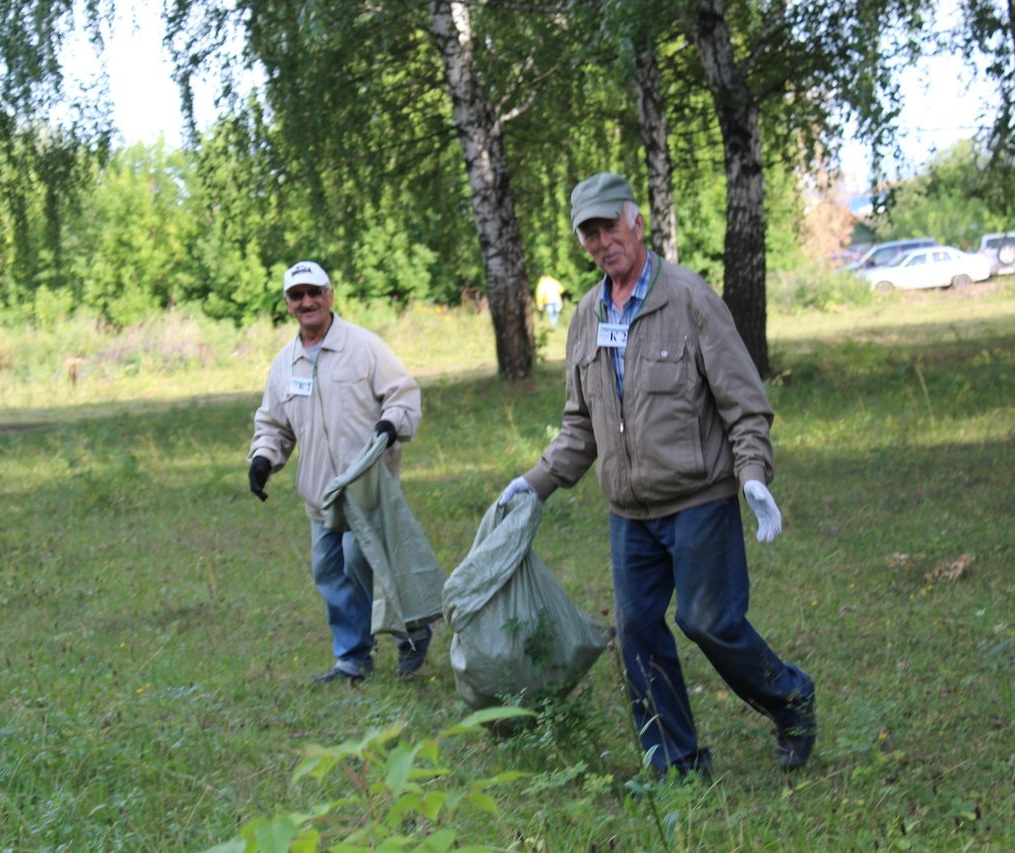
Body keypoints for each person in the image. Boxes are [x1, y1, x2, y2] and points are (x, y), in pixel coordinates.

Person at [499, 172, 816, 778]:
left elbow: (744, 401)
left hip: (699, 498)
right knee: (638, 636)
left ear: (636, 222)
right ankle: (678, 764)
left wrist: (752, 473)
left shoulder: (690, 299)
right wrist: (533, 483)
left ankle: (791, 698)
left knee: (709, 622)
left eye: (609, 226)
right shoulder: (587, 316)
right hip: (630, 514)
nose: (601, 241)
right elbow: (578, 426)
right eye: (588, 233)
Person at [248, 260, 432, 684]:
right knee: (329, 571)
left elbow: (402, 394)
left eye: (315, 292)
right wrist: (262, 458)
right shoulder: (285, 364)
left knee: (359, 559)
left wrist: (391, 425)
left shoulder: (364, 347)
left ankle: (413, 631)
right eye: (298, 295)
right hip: (320, 496)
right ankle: (352, 658)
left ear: (331, 295)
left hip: (366, 485)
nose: (308, 301)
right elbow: (273, 425)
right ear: (287, 304)